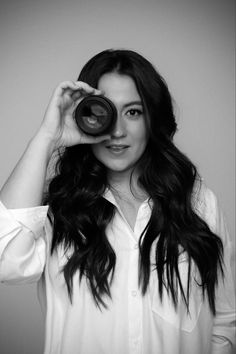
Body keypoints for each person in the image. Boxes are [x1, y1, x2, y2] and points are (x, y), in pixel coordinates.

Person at [0, 49, 235, 354]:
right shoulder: (57, 207)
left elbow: (224, 320)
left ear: (152, 119)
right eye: (104, 111)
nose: (118, 131)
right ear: (84, 115)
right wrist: (47, 137)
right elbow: (4, 261)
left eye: (133, 112)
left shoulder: (199, 203)